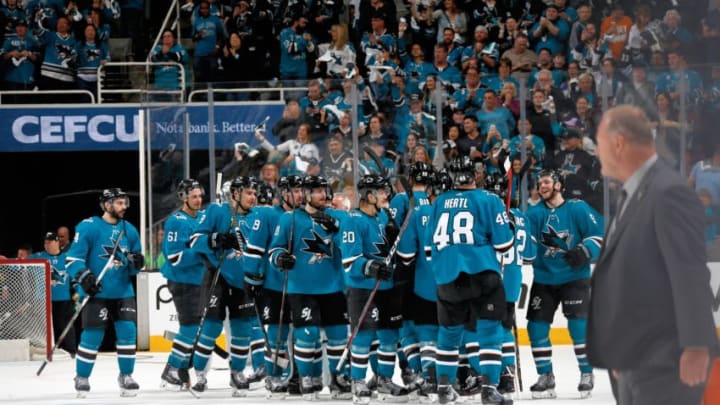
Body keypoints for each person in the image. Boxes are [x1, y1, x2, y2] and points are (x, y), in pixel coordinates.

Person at [587, 105, 717, 405]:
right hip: (637, 359)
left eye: (600, 142)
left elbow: (690, 273)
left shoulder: (667, 192)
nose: (597, 152)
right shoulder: (634, 193)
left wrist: (696, 346)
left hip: (666, 364)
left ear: (619, 143)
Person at [428, 156, 514, 404]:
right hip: (481, 272)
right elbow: (504, 244)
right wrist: (507, 227)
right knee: (489, 331)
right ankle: (489, 389)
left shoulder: (439, 202)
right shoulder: (489, 199)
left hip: (447, 277)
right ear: (474, 175)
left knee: (449, 333)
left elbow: (428, 248)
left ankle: (444, 388)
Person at [268, 175, 350, 399]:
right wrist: (280, 259)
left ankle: (338, 380)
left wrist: (337, 229)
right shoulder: (289, 219)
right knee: (308, 334)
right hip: (301, 288)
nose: (323, 194)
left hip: (334, 287)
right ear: (305, 194)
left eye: (324, 189)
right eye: (317, 191)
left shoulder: (339, 216)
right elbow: (274, 251)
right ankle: (307, 378)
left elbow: (351, 246)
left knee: (338, 334)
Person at [525, 169, 604, 399]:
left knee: (578, 326)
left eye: (547, 182)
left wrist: (584, 250)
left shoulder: (577, 208)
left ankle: (586, 373)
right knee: (536, 327)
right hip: (544, 278)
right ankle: (545, 376)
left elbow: (598, 234)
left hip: (574, 277)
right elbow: (527, 242)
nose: (542, 186)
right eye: (540, 183)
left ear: (558, 185)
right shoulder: (534, 213)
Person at [65, 188, 144, 397]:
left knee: (128, 332)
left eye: (124, 202)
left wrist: (137, 263)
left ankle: (126, 376)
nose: (124, 206)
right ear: (107, 205)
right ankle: (82, 377)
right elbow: (73, 260)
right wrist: (84, 277)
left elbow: (135, 263)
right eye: (119, 203)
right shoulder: (88, 226)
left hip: (123, 291)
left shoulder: (130, 230)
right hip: (96, 293)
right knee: (92, 335)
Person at [340, 174, 410, 403]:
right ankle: (358, 380)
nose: (385, 195)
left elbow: (395, 251)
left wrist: (394, 234)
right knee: (364, 335)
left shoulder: (384, 217)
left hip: (387, 287)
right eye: (380, 192)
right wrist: (371, 267)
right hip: (363, 288)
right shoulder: (352, 220)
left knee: (390, 336)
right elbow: (350, 261)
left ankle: (384, 379)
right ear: (369, 195)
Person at [188, 176, 259, 396]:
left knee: (241, 331)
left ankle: (237, 373)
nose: (253, 197)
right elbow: (194, 240)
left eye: (255, 193)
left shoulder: (257, 217)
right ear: (235, 194)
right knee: (210, 328)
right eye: (249, 193)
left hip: (244, 281)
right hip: (217, 277)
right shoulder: (217, 212)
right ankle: (199, 374)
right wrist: (215, 239)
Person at [158, 179, 206, 391]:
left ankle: (182, 371)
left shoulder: (204, 217)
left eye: (200, 196)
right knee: (190, 327)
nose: (198, 200)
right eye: (193, 196)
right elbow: (175, 257)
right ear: (183, 197)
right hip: (182, 281)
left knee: (195, 329)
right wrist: (205, 251)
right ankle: (172, 367)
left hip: (199, 282)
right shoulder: (176, 221)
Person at [31, 232, 76, 357]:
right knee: (45, 328)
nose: (46, 245)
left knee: (65, 325)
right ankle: (50, 350)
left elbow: (77, 274)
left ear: (57, 242)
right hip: (43, 301)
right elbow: (18, 264)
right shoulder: (38, 257)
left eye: (49, 242)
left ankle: (71, 351)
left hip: (63, 300)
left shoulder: (67, 258)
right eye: (45, 243)